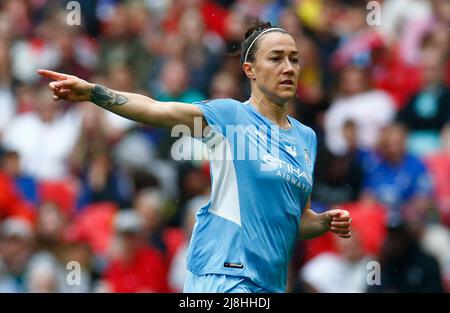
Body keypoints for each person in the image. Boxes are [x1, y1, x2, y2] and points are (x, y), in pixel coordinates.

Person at [37, 21, 352, 293]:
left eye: (294, 59)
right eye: (276, 58)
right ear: (250, 70)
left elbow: (293, 218)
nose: (288, 67)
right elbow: (155, 109)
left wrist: (322, 222)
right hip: (223, 274)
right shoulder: (229, 116)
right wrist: (93, 92)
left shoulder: (306, 138)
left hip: (269, 282)